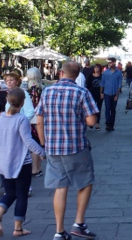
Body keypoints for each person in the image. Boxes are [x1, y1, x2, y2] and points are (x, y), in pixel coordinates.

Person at [36, 61, 99, 240]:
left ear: (60, 73)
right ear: (77, 75)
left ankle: (59, 231)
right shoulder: (81, 92)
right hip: (75, 146)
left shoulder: (47, 92)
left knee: (60, 187)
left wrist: (43, 143)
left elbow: (39, 119)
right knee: (85, 183)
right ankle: (79, 223)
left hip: (53, 148)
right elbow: (92, 121)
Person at [0, 88, 46, 238]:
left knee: (10, 193)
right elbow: (28, 141)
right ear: (22, 103)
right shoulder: (22, 119)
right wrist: (41, 152)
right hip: (21, 163)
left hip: (2, 162)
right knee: (21, 195)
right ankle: (18, 228)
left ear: (7, 100)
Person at [25, 67, 44, 178]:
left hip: (29, 118)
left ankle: (34, 168)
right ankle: (36, 169)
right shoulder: (40, 89)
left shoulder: (27, 90)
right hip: (38, 118)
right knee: (37, 142)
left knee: (32, 142)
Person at [99, 57, 122, 132]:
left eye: (110, 62)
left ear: (114, 63)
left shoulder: (118, 73)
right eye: (108, 63)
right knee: (107, 108)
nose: (109, 64)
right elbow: (102, 83)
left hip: (114, 93)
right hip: (107, 93)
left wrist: (117, 94)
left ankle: (112, 124)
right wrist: (101, 93)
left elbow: (119, 85)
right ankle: (108, 123)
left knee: (113, 109)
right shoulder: (105, 73)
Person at [87, 65, 103, 131]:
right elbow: (88, 85)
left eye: (97, 67)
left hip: (99, 93)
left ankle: (97, 123)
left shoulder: (102, 76)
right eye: (95, 67)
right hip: (92, 93)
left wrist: (102, 93)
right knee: (91, 108)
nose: (96, 69)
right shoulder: (90, 76)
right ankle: (91, 122)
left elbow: (103, 84)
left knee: (98, 108)